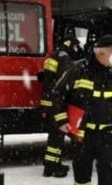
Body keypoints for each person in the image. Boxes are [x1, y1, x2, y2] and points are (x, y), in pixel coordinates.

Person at [51, 35, 112, 185]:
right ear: (100, 52)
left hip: (109, 134)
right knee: (82, 178)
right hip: (83, 134)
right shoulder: (78, 69)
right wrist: (61, 120)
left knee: (110, 178)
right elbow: (58, 93)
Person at [39, 35, 84, 177]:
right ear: (71, 45)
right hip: (57, 104)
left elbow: (46, 78)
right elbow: (67, 80)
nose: (77, 49)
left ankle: (50, 164)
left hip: (49, 102)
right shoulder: (65, 58)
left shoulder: (55, 55)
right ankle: (52, 167)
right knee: (57, 137)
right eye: (76, 46)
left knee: (54, 136)